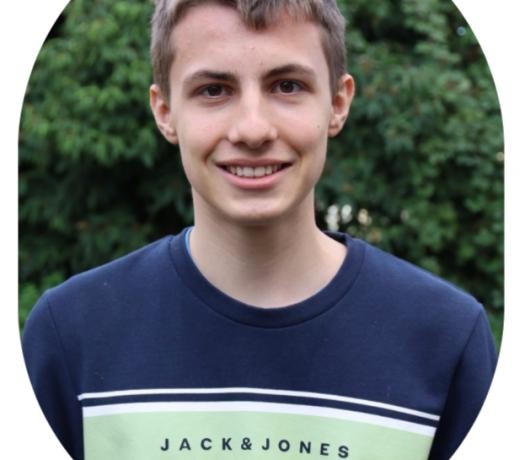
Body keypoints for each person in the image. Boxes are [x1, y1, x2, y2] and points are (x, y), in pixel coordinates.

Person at [22, 1, 497, 459]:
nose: (252, 130)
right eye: (213, 90)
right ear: (164, 111)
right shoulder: (70, 336)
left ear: (337, 103)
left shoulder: (446, 340)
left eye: (287, 86)